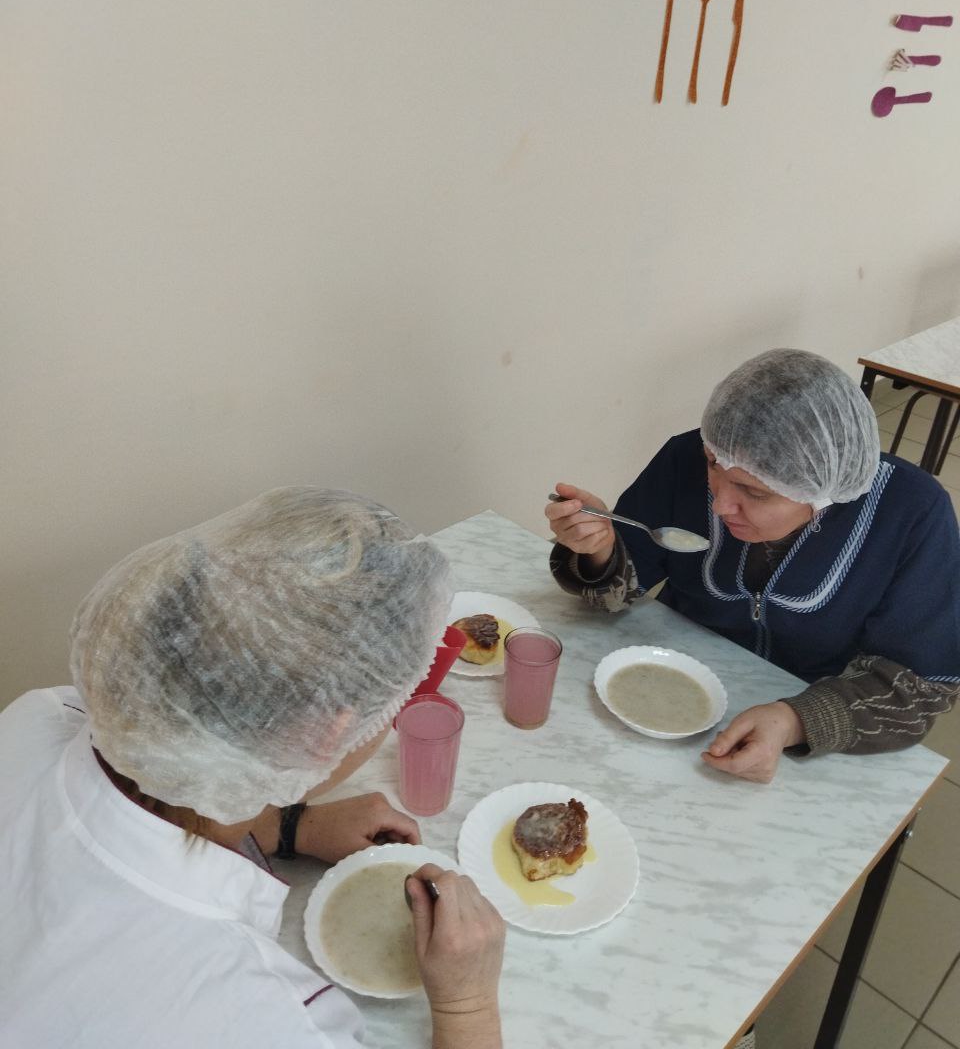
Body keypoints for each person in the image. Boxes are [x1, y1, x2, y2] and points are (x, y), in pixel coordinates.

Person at [0, 488, 505, 1049]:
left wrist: (288, 826)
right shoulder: (263, 1018)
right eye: (394, 699)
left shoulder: (38, 716)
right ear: (327, 733)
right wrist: (467, 1005)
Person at [547, 349, 960, 785]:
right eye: (713, 464)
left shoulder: (911, 514)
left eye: (754, 492)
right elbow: (622, 581)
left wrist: (794, 721)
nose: (720, 502)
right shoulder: (685, 457)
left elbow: (920, 686)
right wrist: (598, 548)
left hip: (807, 714)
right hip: (667, 687)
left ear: (821, 492)